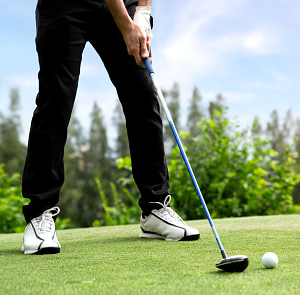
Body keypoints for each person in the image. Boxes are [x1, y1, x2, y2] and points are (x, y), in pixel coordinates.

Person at [21, 0, 199, 255]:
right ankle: (40, 213)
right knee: (57, 98)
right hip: (64, 5)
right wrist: (126, 24)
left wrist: (142, 12)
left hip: (120, 5)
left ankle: (154, 207)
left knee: (142, 94)